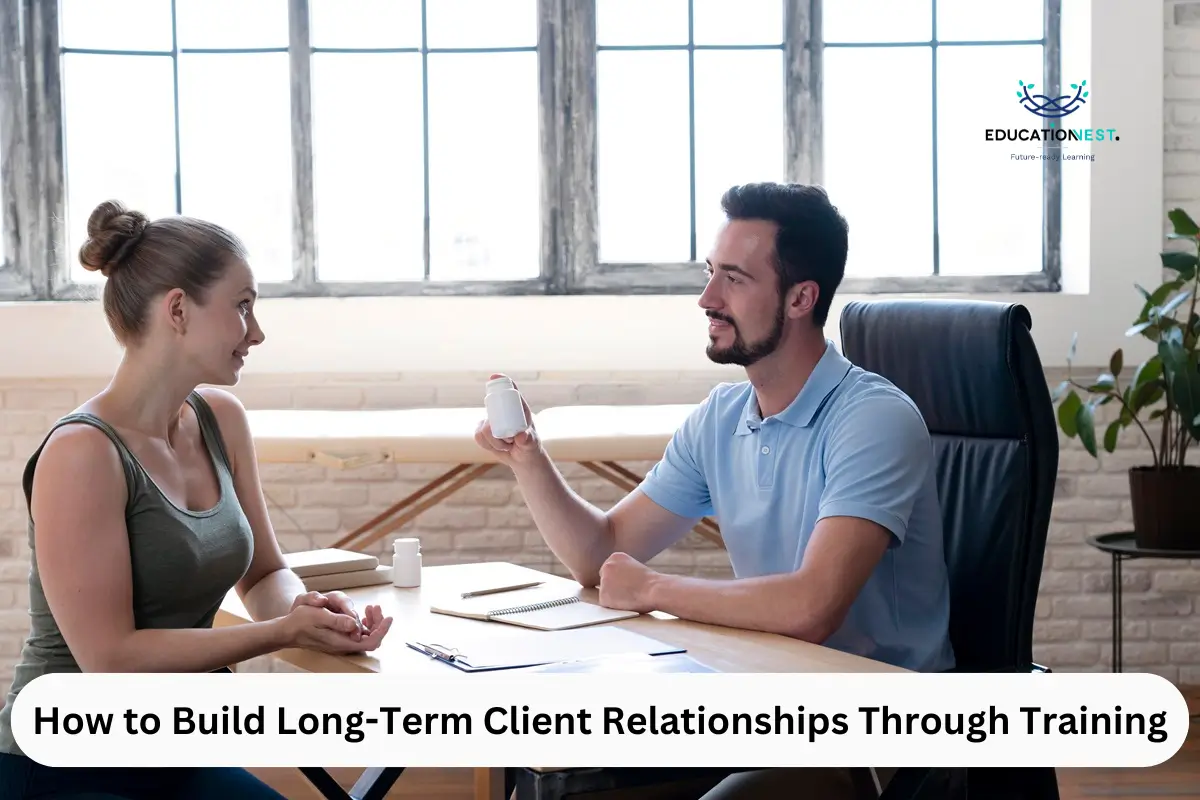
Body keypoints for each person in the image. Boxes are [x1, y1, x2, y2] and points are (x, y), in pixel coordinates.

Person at [475, 182, 954, 799]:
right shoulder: (722, 417)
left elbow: (811, 608)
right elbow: (601, 555)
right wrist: (528, 458)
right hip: (765, 699)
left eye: (735, 279)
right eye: (710, 273)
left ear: (800, 297)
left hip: (875, 735)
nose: (707, 298)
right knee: (563, 778)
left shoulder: (872, 420)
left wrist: (652, 589)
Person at [0, 200, 393, 799]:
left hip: (172, 746)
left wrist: (310, 610)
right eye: (242, 306)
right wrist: (284, 632)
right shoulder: (82, 453)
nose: (256, 332)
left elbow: (264, 574)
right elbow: (110, 658)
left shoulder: (221, 420)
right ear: (178, 310)